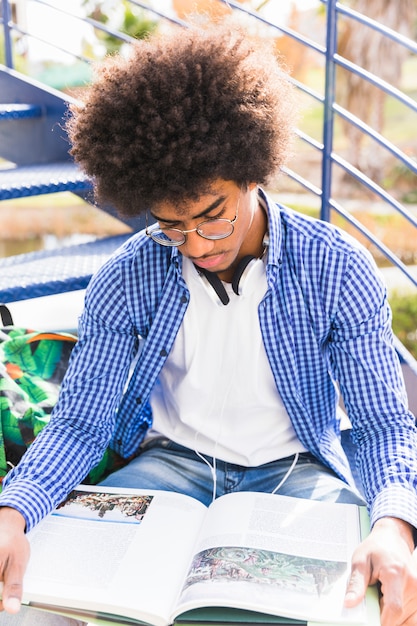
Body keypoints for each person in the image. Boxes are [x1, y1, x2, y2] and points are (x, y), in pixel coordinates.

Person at [0, 21, 416, 626]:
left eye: (212, 215)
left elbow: (381, 423)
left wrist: (396, 527)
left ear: (254, 170)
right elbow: (82, 424)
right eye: (171, 223)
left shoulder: (335, 267)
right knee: (51, 597)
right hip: (168, 466)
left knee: (351, 604)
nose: (195, 244)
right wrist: (11, 514)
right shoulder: (127, 277)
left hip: (298, 472)